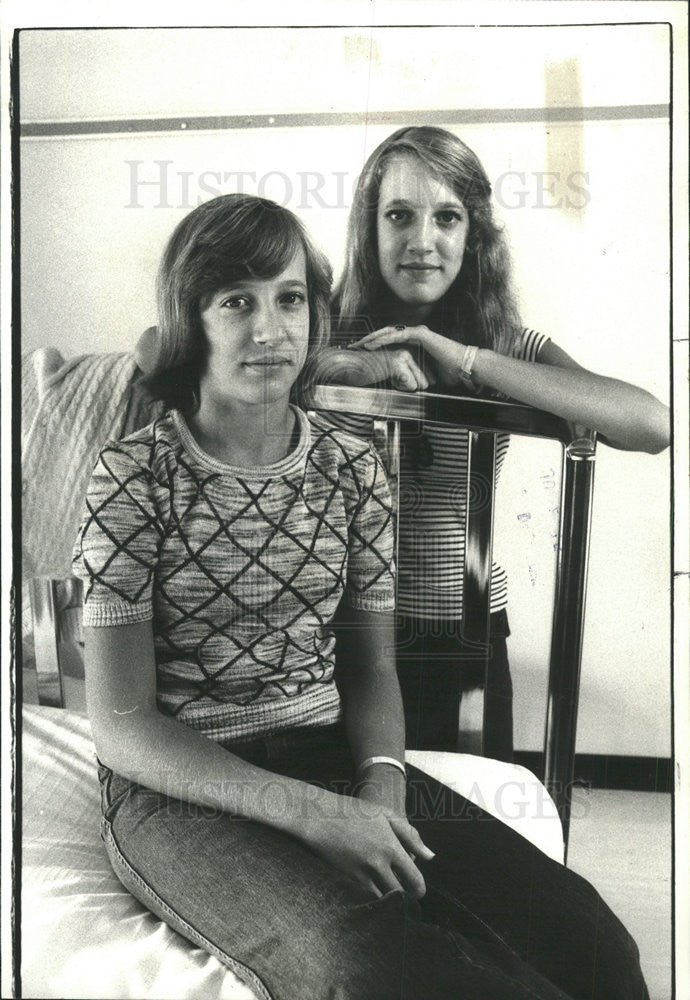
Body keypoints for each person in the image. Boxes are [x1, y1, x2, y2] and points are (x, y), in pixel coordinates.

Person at [73, 193, 650, 1000]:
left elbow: (372, 670)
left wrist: (379, 782)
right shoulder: (129, 478)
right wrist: (312, 814)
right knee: (371, 968)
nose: (269, 329)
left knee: (592, 946)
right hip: (180, 792)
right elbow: (122, 724)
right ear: (189, 317)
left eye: (290, 298)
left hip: (327, 751)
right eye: (236, 301)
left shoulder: (351, 468)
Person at [313, 125, 670, 760]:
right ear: (368, 229)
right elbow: (169, 356)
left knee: (473, 829)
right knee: (355, 835)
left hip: (466, 634)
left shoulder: (501, 342)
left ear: (472, 234)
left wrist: (465, 358)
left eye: (447, 217)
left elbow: (649, 424)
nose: (423, 241)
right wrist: (353, 371)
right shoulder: (318, 327)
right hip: (338, 634)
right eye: (399, 215)